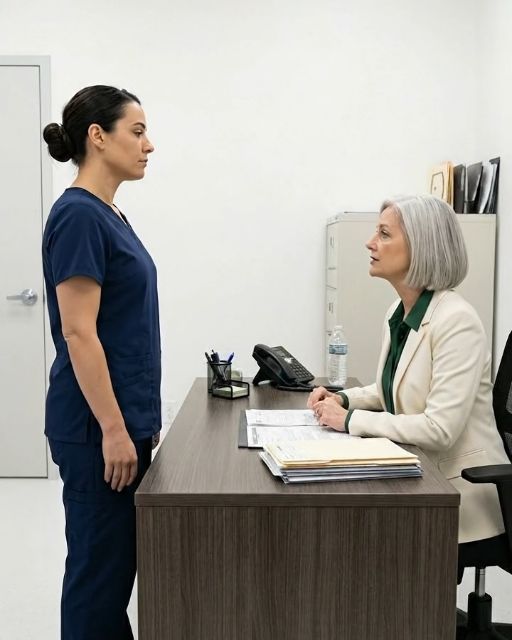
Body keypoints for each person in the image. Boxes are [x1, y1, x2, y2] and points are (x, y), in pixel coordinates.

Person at [308, 195, 509, 569]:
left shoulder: (457, 321)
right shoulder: (400, 311)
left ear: (421, 247)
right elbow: (395, 388)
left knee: (355, 544)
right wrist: (343, 399)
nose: (370, 243)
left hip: (462, 495)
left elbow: (439, 429)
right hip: (418, 476)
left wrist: (349, 421)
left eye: (384, 234)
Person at [42, 85, 160, 640]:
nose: (148, 144)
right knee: (98, 583)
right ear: (98, 136)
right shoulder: (79, 216)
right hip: (95, 431)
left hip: (120, 422)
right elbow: (78, 331)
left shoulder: (108, 213)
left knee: (112, 578)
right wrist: (114, 429)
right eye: (136, 131)